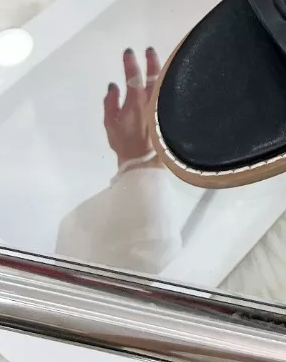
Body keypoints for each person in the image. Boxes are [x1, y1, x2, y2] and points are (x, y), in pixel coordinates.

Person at [56, 46, 212, 274]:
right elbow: (153, 258)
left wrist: (138, 159)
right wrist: (139, 159)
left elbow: (150, 257)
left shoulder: (72, 230)